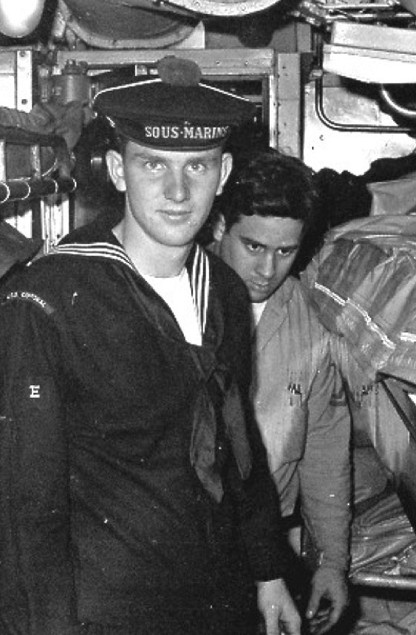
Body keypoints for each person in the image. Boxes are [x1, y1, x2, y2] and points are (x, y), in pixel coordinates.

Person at [0, 56, 301, 635]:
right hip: (110, 615)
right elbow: (21, 508)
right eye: (153, 164)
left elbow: (236, 443)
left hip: (217, 603)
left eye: (197, 165)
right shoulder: (46, 300)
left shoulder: (223, 290)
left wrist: (268, 570)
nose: (178, 191)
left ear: (223, 173)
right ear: (117, 171)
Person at [210, 149, 352, 635]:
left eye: (285, 252)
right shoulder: (178, 305)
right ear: (219, 228)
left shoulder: (311, 325)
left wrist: (331, 562)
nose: (268, 270)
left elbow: (325, 453)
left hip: (269, 548)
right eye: (253, 246)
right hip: (183, 551)